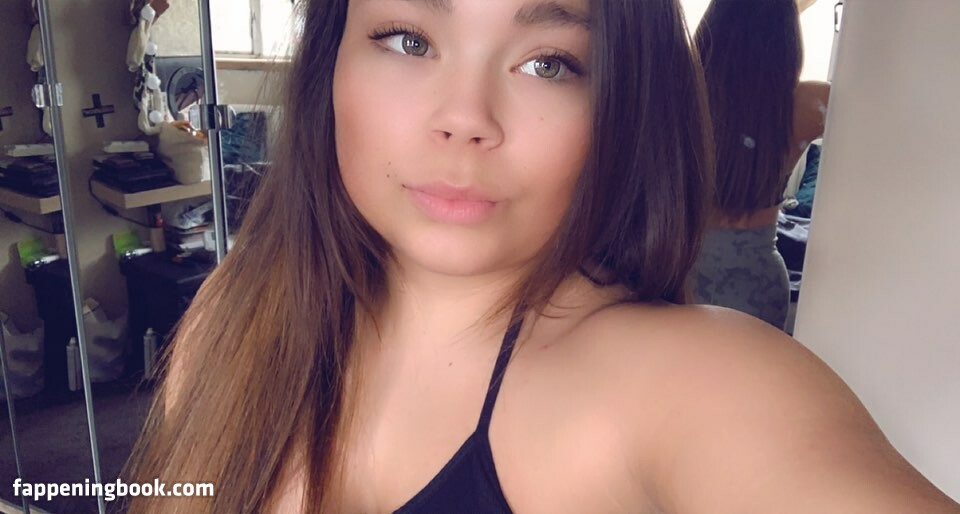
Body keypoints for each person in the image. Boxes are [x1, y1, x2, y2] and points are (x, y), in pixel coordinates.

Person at [122, 0, 959, 512]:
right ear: (330, 63)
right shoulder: (228, 319)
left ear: (625, 102)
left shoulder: (695, 385)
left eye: (549, 63)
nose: (465, 117)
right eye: (408, 39)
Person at [688, 0, 831, 330]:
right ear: (786, 39)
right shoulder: (810, 104)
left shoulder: (680, 97)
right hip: (756, 284)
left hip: (680, 277)